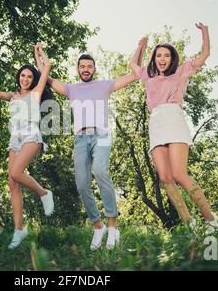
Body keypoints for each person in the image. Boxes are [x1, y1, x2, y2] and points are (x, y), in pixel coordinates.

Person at [46, 43, 145, 250]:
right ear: (78, 69)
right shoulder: (71, 89)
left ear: (94, 69)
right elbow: (46, 77)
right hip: (80, 138)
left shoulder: (104, 85)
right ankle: (98, 226)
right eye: (82, 66)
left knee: (100, 171)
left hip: (101, 134)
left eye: (89, 66)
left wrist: (140, 48)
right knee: (82, 183)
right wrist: (40, 55)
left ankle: (112, 225)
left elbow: (134, 74)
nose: (86, 69)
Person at [129, 23, 218, 234]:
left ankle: (211, 220)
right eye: (158, 55)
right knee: (165, 178)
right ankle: (190, 224)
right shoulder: (148, 77)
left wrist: (205, 31)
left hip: (174, 119)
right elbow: (132, 64)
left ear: (172, 59)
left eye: (166, 56)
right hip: (156, 123)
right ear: (154, 58)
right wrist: (141, 47)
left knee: (179, 174)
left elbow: (205, 53)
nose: (162, 59)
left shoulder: (180, 73)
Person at [0, 43, 54, 249]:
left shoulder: (36, 93)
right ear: (19, 77)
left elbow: (46, 68)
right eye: (23, 76)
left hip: (31, 134)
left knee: (16, 172)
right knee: (13, 182)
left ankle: (44, 193)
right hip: (15, 138)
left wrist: (39, 53)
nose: (26, 79)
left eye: (30, 76)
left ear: (33, 80)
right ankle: (19, 229)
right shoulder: (13, 95)